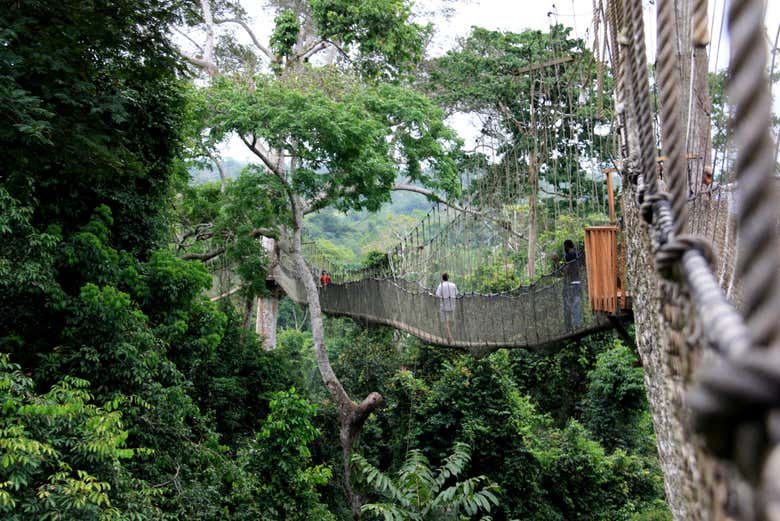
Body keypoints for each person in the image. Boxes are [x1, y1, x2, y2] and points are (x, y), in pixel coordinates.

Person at [562, 240, 582, 330]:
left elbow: (566, 271)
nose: (564, 249)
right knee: (576, 304)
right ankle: (577, 325)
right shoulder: (578, 254)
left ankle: (573, 327)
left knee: (571, 306)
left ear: (566, 246)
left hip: (572, 284)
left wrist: (557, 262)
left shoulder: (569, 256)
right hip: (578, 282)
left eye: (564, 247)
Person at [435, 273, 458, 341]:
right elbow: (457, 294)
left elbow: (437, 295)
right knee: (451, 321)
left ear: (442, 278)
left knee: (446, 322)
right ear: (448, 277)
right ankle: (450, 334)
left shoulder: (440, 286)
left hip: (444, 306)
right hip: (452, 305)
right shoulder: (453, 285)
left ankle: (449, 336)